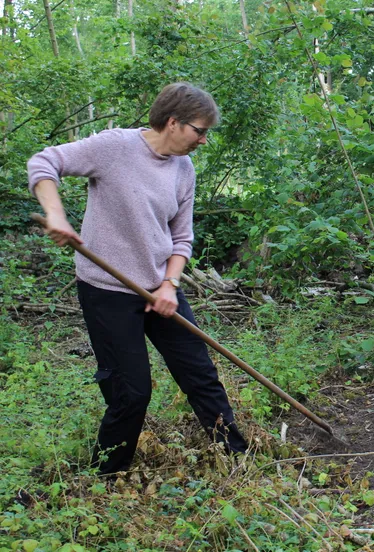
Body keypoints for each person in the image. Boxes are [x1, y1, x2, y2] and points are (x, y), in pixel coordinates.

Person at [28, 82, 248, 475]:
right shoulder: (115, 148)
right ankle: (106, 477)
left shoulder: (184, 168)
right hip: (107, 290)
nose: (203, 140)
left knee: (200, 373)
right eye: (200, 130)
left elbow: (182, 237)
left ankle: (237, 459)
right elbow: (44, 162)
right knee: (131, 391)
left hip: (160, 286)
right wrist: (56, 215)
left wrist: (169, 285)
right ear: (173, 122)